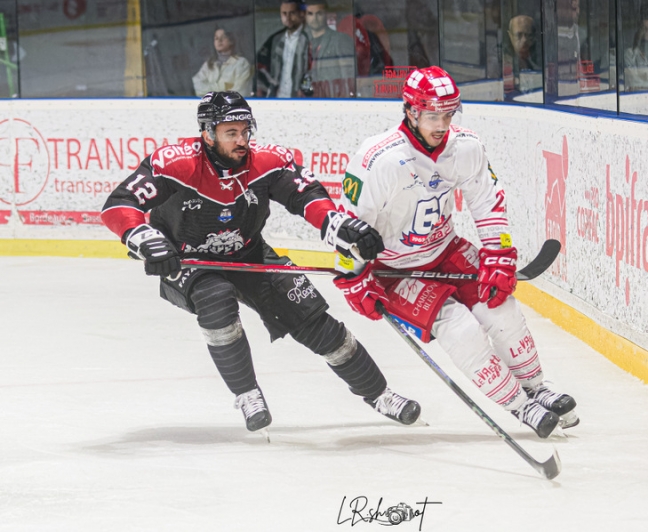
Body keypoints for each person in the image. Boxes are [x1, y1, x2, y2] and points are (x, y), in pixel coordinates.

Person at [100, 91, 421, 432]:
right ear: (207, 133)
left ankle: (380, 394)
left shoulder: (269, 161)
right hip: (188, 259)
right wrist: (145, 239)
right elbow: (119, 204)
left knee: (311, 318)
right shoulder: (175, 163)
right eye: (230, 133)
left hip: (250, 251)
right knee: (216, 301)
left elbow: (306, 196)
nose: (241, 140)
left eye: (244, 131)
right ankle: (247, 393)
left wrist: (338, 224)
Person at [332, 67, 578, 439]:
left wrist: (498, 254)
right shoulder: (378, 158)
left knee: (503, 310)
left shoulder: (465, 146)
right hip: (395, 271)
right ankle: (519, 405)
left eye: (448, 114)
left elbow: (487, 201)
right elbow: (350, 224)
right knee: (461, 331)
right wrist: (353, 277)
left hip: (445, 250)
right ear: (411, 111)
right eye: (433, 115)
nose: (441, 124)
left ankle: (536, 387)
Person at [255, 1, 312, 97]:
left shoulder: (309, 38)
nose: (287, 18)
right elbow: (260, 65)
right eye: (284, 13)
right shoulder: (275, 39)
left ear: (301, 14)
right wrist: (270, 86)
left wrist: (306, 90)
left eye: (292, 13)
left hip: (301, 99)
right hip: (278, 98)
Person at [305, 0, 356, 97]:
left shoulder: (341, 40)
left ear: (326, 15)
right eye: (310, 14)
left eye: (319, 13)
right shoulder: (302, 43)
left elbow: (349, 79)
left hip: (333, 102)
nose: (314, 18)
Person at [192, 28, 253, 97]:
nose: (219, 40)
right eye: (216, 38)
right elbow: (197, 86)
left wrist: (210, 91)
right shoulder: (209, 64)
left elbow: (239, 93)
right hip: (210, 106)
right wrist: (224, 86)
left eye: (223, 37)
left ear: (231, 41)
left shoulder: (242, 63)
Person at [624, 18, 648, 91]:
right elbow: (634, 82)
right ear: (638, 31)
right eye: (643, 28)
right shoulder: (629, 54)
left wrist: (644, 78)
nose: (646, 31)